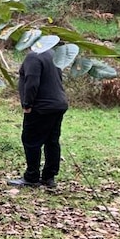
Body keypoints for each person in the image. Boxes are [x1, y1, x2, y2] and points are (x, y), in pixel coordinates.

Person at [9, 48, 69, 188]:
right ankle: (49, 177)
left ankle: (31, 177)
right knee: (51, 141)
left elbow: (32, 81)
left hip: (41, 106)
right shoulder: (53, 54)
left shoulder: (33, 56)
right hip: (58, 104)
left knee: (31, 140)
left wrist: (27, 104)